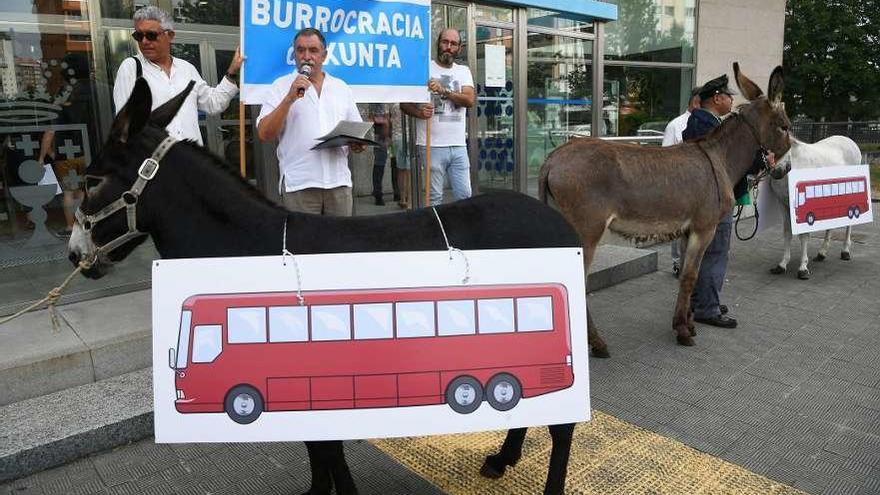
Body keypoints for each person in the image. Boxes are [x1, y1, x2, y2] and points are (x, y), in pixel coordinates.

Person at [683, 74, 774, 329]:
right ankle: (707, 308)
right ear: (717, 98)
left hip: (703, 199)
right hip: (712, 199)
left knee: (704, 253)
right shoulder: (709, 125)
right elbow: (728, 160)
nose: (732, 100)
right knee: (715, 252)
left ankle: (701, 301)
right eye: (728, 96)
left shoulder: (701, 121)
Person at [256, 28, 365, 216]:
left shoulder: (341, 87)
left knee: (340, 244)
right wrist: (289, 98)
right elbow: (265, 134)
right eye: (300, 50)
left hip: (338, 183)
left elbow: (356, 130)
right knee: (303, 245)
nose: (306, 56)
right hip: (300, 184)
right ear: (294, 54)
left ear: (324, 55)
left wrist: (358, 143)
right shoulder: (280, 86)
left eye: (313, 50)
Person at [112, 6, 242, 145]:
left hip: (191, 159)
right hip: (158, 161)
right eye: (138, 36)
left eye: (151, 35)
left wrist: (232, 71)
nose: (144, 41)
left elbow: (214, 103)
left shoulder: (187, 69)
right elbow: (125, 124)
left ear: (170, 35)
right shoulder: (131, 68)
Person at [401, 28, 475, 206]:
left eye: (453, 44)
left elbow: (469, 100)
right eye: (445, 42)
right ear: (438, 43)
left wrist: (443, 90)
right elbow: (404, 104)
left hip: (458, 145)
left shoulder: (463, 71)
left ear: (459, 48)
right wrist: (419, 113)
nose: (448, 47)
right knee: (434, 199)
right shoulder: (424, 69)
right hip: (431, 145)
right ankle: (437, 233)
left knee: (465, 195)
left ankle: (462, 232)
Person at [663, 86, 702, 277]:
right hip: (679, 186)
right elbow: (664, 157)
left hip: (700, 188)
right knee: (679, 227)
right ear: (696, 102)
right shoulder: (676, 125)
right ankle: (678, 263)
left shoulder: (709, 124)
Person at [369, 104, 398, 206]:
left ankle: (397, 192)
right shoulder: (376, 98)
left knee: (395, 163)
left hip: (395, 133)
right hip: (380, 135)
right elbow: (370, 117)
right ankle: (378, 193)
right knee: (380, 164)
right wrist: (383, 121)